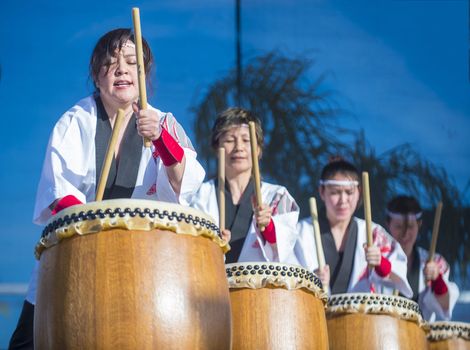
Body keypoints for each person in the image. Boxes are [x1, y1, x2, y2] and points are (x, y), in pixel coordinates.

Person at [9, 28, 205, 349]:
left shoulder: (163, 123)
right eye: (110, 63)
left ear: (144, 76)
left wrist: (160, 139)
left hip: (140, 263)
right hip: (77, 254)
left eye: (131, 62)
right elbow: (60, 191)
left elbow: (187, 185)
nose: (122, 70)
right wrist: (97, 234)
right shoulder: (77, 121)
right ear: (97, 77)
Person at [189, 107, 299, 263]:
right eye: (229, 140)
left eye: (246, 140)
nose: (238, 147)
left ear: (259, 149)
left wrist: (268, 227)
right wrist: (212, 244)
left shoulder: (277, 196)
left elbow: (286, 248)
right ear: (216, 147)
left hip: (259, 286)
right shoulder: (201, 195)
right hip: (212, 284)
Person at [294, 158, 412, 296]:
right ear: (322, 192)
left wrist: (381, 263)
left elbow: (398, 280)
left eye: (349, 192)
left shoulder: (372, 233)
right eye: (335, 192)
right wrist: (309, 281)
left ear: (359, 192)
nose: (343, 201)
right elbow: (287, 277)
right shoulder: (302, 232)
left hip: (361, 316)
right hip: (314, 315)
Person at [386, 195, 459, 321]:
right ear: (388, 224)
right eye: (399, 227)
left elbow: (445, 306)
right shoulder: (376, 258)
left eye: (410, 226)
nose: (405, 234)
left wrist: (437, 280)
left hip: (419, 337)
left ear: (419, 224)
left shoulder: (435, 262)